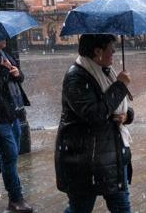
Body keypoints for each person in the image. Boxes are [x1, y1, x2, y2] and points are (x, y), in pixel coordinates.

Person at [55, 34, 134, 213]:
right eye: (110, 48)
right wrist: (120, 86)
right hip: (84, 161)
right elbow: (95, 114)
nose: (114, 51)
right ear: (97, 51)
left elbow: (118, 109)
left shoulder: (106, 71)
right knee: (80, 209)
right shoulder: (76, 77)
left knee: (122, 207)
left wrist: (126, 116)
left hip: (112, 156)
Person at [0, 39, 33, 212]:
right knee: (10, 155)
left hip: (12, 110)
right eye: (0, 37)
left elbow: (19, 77)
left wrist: (15, 72)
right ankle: (15, 200)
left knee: (9, 152)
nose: (5, 39)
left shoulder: (4, 54)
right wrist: (5, 70)